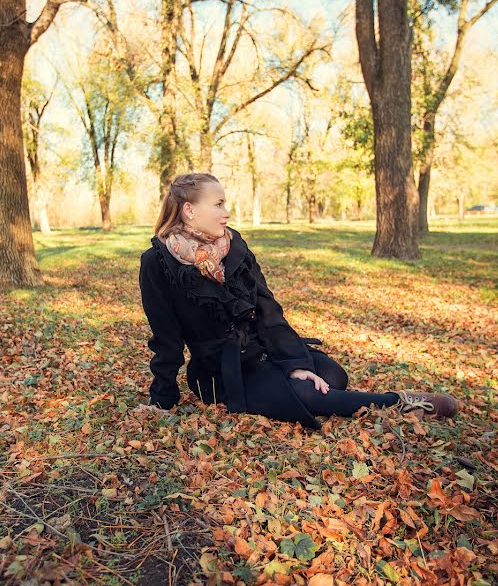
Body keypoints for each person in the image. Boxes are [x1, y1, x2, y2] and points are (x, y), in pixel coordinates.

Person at [138, 172, 460, 430]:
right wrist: (162, 398)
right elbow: (166, 339)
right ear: (190, 210)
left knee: (333, 376)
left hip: (261, 350)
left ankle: (298, 384)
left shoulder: (233, 246)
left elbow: (268, 310)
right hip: (219, 372)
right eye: (219, 204)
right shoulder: (158, 263)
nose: (227, 213)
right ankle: (401, 401)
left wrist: (294, 364)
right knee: (308, 395)